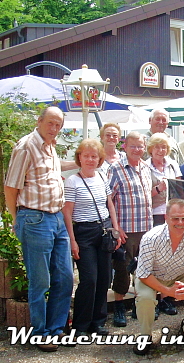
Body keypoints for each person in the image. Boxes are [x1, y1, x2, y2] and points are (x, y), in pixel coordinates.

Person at [4, 106, 76, 352]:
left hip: (56, 219)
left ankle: (56, 330)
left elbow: (53, 171)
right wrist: (17, 218)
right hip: (34, 219)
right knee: (40, 281)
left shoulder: (50, 146)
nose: (55, 128)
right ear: (40, 121)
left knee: (65, 277)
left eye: (58, 124)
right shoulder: (26, 146)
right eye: (51, 123)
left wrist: (81, 160)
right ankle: (40, 332)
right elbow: (11, 187)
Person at [133, 199, 184, 355]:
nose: (180, 222)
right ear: (166, 217)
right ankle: (145, 336)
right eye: (175, 218)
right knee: (145, 298)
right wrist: (167, 291)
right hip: (151, 277)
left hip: (178, 274)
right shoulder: (151, 238)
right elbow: (143, 274)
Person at [63, 139, 121, 336]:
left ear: (99, 159)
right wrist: (72, 241)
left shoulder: (102, 177)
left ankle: (98, 321)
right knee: (89, 280)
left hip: (103, 231)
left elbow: (109, 204)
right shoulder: (72, 181)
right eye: (86, 156)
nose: (90, 159)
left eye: (93, 156)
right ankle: (80, 325)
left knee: (104, 278)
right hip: (84, 234)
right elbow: (67, 213)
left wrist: (115, 228)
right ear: (79, 157)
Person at [108, 131, 153, 326]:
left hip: (146, 229)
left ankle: (138, 305)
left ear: (145, 148)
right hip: (126, 230)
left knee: (143, 270)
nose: (137, 150)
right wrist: (116, 228)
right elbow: (107, 199)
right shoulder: (116, 168)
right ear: (124, 146)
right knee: (122, 271)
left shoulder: (145, 167)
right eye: (133, 146)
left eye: (140, 146)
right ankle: (119, 308)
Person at [145, 132, 182, 316]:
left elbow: (181, 188)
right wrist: (160, 187)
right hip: (154, 215)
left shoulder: (173, 165)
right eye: (157, 147)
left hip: (172, 216)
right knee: (155, 259)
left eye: (164, 147)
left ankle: (167, 298)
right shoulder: (145, 167)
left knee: (171, 257)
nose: (161, 150)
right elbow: (144, 195)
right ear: (151, 149)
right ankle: (153, 298)